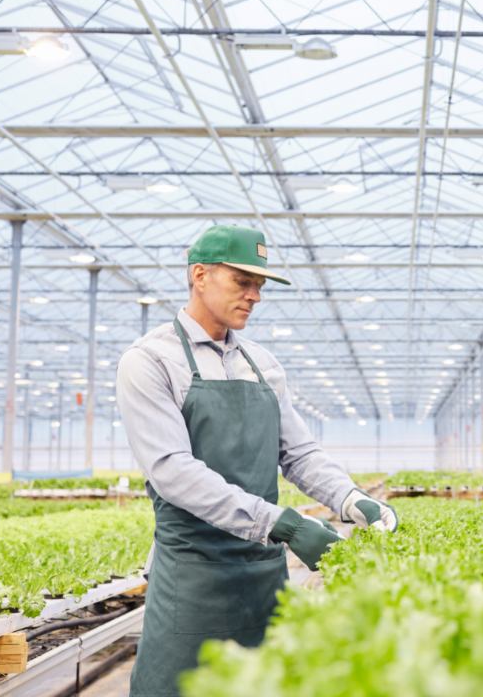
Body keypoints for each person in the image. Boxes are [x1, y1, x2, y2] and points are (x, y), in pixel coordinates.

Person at [116, 224, 399, 696]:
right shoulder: (150, 361)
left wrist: (352, 500)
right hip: (194, 579)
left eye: (260, 285)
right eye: (242, 282)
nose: (255, 295)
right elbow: (171, 471)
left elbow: (299, 452)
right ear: (200, 275)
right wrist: (284, 524)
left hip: (264, 576)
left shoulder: (262, 363)